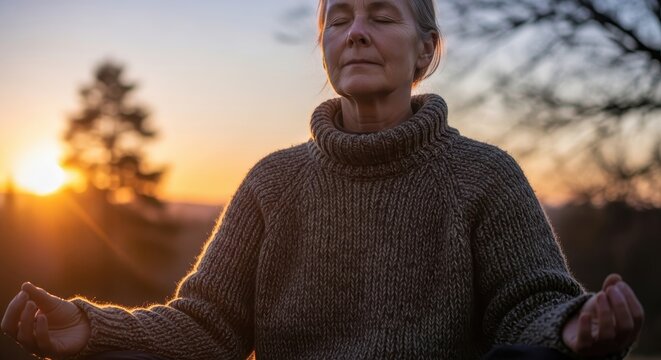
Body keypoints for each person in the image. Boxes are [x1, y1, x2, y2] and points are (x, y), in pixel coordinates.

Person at [1, 0, 644, 359]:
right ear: (326, 49)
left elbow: (529, 310)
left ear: (426, 51)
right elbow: (207, 325)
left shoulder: (485, 177)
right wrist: (92, 329)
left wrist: (572, 326)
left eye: (382, 15)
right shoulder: (272, 184)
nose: (356, 32)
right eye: (339, 18)